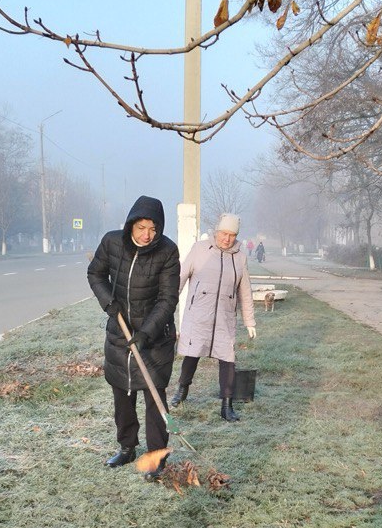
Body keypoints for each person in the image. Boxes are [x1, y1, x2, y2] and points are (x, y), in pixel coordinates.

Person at [87, 195, 180, 478]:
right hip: (120, 332)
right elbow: (95, 273)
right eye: (141, 227)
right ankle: (127, 447)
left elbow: (167, 299)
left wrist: (146, 333)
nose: (146, 235)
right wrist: (108, 302)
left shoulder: (168, 252)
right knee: (122, 393)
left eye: (153, 229)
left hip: (155, 337)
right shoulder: (112, 242)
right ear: (131, 224)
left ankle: (157, 456)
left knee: (154, 397)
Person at [171, 213, 257, 422]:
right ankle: (182, 389)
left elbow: (245, 292)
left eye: (232, 235)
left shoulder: (240, 258)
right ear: (217, 231)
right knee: (191, 355)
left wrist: (249, 322)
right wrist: (167, 307)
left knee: (228, 358)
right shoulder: (199, 249)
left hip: (224, 318)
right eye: (224, 233)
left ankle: (227, 405)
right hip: (198, 315)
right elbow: (180, 278)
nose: (227, 239)